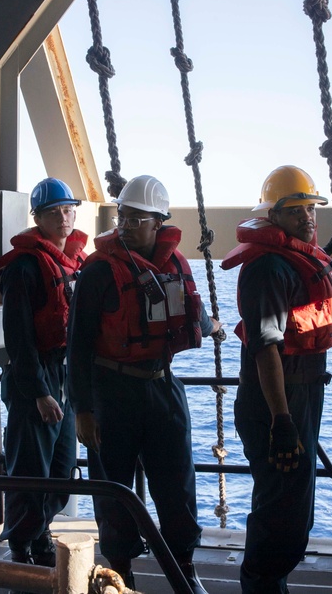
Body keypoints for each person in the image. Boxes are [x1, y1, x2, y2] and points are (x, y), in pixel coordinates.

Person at [66, 175, 218, 594]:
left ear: (159, 223)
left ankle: (183, 567)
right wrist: (82, 409)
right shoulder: (98, 273)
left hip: (163, 386)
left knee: (178, 485)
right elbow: (76, 346)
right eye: (123, 217)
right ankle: (120, 571)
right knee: (114, 490)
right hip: (111, 392)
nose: (127, 225)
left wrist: (212, 326)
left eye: (137, 219)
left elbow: (194, 317)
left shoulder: (175, 267)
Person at [220, 165, 332, 594]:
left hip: (302, 395)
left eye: (310, 208)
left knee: (293, 507)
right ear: (271, 216)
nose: (307, 217)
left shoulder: (296, 260)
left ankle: (269, 584)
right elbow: (266, 349)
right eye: (295, 209)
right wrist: (281, 421)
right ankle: (261, 585)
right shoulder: (266, 269)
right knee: (282, 510)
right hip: (275, 402)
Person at [0, 177, 87, 567]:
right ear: (38, 218)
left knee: (62, 468)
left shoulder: (72, 263)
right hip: (36, 380)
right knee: (30, 470)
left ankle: (40, 530)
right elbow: (18, 339)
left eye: (68, 210)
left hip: (63, 376)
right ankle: (21, 548)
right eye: (54, 212)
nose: (63, 218)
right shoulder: (25, 268)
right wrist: (39, 392)